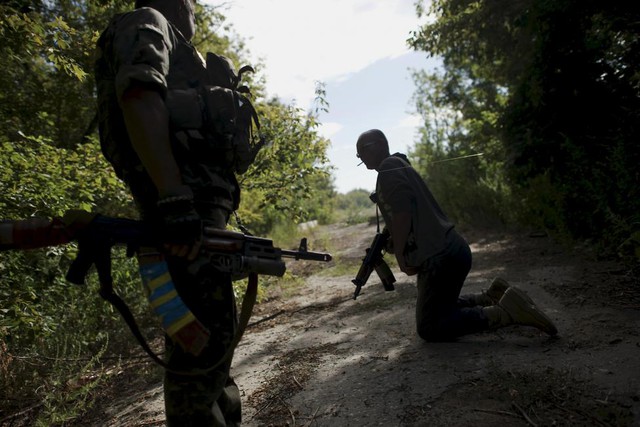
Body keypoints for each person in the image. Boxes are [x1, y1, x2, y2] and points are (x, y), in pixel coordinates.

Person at [95, 1, 242, 425]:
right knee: (200, 351)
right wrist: (174, 197)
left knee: (212, 340)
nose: (195, 10)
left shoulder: (173, 41)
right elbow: (139, 93)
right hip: (184, 213)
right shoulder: (149, 20)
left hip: (195, 214)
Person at [355, 129, 558, 341]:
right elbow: (406, 213)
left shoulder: (388, 168)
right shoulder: (399, 164)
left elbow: (402, 214)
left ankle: (506, 313)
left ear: (380, 143)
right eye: (358, 156)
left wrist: (400, 255)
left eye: (363, 151)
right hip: (451, 249)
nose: (361, 157)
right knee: (440, 308)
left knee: (430, 326)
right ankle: (490, 296)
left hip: (439, 257)